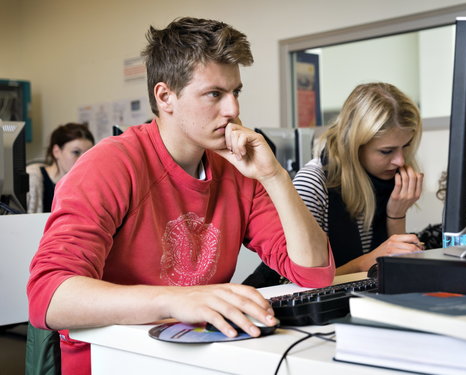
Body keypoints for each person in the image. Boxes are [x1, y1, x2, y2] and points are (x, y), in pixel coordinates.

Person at [27, 17, 334, 374]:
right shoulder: (110, 164)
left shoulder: (239, 168)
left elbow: (314, 274)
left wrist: (274, 176)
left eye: (236, 92)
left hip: (198, 356)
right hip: (113, 359)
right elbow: (48, 296)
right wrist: (177, 300)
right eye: (214, 94)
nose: (233, 109)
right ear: (165, 96)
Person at [243, 82, 423, 286]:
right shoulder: (313, 183)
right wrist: (366, 263)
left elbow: (392, 271)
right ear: (354, 146)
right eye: (386, 151)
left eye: (406, 146)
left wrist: (396, 214)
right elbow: (291, 285)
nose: (400, 160)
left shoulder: (384, 182)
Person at [26, 122, 94, 213]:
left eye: (88, 154)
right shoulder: (32, 179)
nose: (83, 159)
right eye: (76, 152)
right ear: (56, 151)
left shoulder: (88, 184)